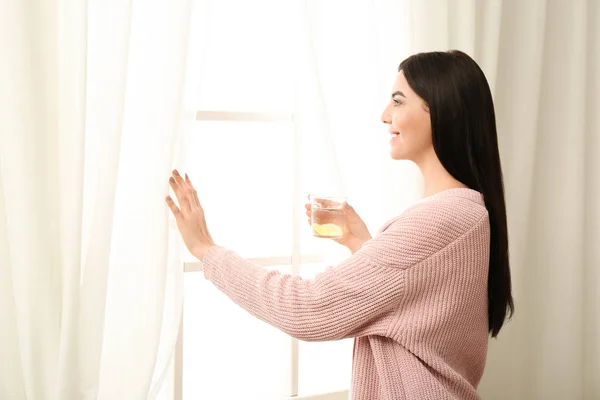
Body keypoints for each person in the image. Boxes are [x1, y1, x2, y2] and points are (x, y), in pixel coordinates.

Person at [166, 49, 514, 400]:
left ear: (441, 111)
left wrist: (207, 251)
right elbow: (421, 311)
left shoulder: (436, 222)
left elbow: (308, 308)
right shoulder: (471, 214)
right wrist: (362, 243)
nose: (384, 115)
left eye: (398, 101)